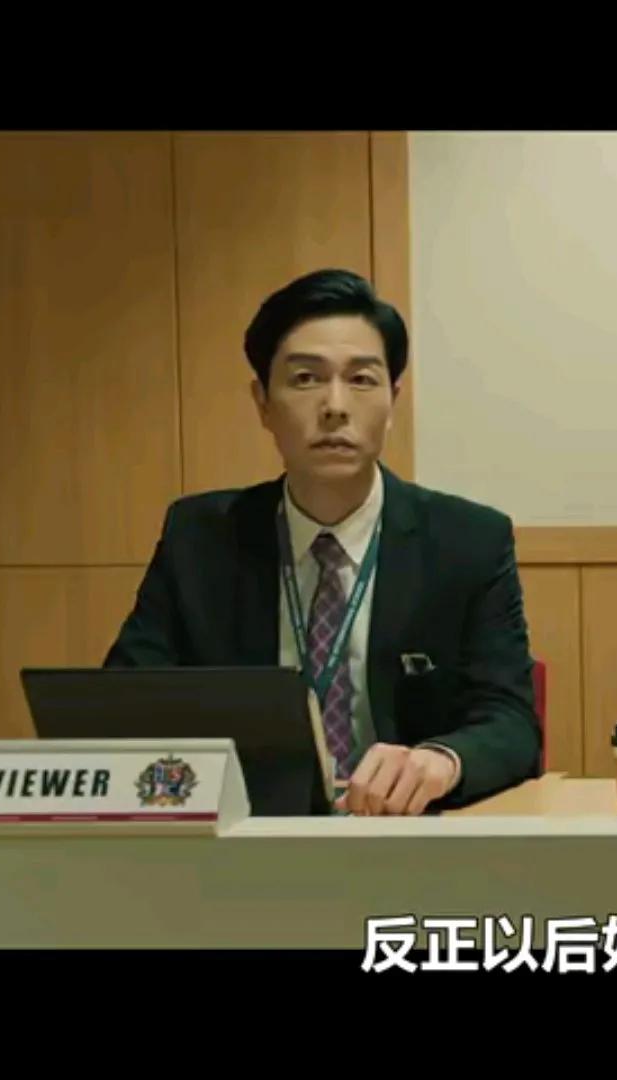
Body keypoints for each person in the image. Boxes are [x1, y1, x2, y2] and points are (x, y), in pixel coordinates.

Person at [105, 269, 541, 814]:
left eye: (361, 380)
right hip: (247, 837)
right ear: (263, 403)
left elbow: (510, 721)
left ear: (392, 400)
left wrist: (440, 760)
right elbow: (122, 704)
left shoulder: (468, 541)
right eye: (306, 378)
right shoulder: (201, 538)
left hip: (403, 834)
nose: (335, 406)